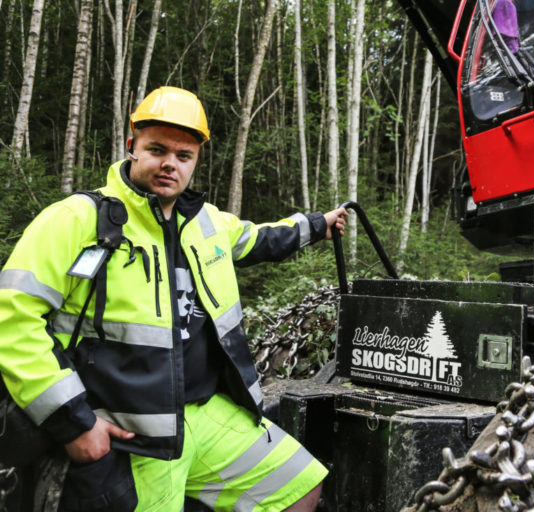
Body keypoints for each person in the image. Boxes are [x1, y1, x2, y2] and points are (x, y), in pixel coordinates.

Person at [0, 86, 347, 511]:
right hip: (128, 433)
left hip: (204, 413)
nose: (170, 164)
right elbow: (12, 319)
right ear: (132, 147)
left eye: (184, 156)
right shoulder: (76, 220)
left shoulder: (206, 222)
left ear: (195, 161)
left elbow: (260, 239)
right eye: (157, 149)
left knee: (299, 486)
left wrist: (319, 224)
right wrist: (74, 424)